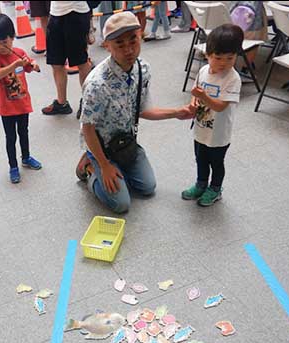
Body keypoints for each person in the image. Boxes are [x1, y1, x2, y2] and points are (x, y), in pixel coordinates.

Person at [75, 12, 195, 213]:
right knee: (121, 204)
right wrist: (104, 166)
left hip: (125, 142)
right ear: (107, 46)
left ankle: (115, 167)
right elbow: (87, 129)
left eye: (133, 40)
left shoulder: (143, 69)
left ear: (140, 35)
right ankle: (89, 167)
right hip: (101, 146)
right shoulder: (97, 84)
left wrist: (177, 112)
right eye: (119, 44)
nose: (129, 49)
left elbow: (142, 110)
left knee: (147, 188)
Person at [183, 24, 243, 206]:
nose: (223, 63)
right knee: (200, 159)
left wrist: (203, 96)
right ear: (207, 54)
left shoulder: (232, 79)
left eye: (230, 58)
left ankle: (215, 189)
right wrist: (194, 103)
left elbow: (220, 106)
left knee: (216, 163)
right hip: (201, 129)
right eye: (217, 57)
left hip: (219, 134)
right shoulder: (202, 71)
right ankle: (201, 184)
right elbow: (196, 93)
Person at [0, 14, 43, 184]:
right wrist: (15, 65)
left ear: (12, 37)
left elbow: (28, 67)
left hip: (22, 103)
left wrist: (33, 65)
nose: (1, 47)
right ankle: (13, 166)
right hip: (6, 107)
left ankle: (26, 157)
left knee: (23, 132)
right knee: (10, 138)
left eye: (5, 42)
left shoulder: (19, 53)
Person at [41, 1, 92, 116]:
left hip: (76, 12)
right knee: (56, 62)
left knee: (82, 61)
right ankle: (61, 103)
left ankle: (88, 102)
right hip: (55, 13)